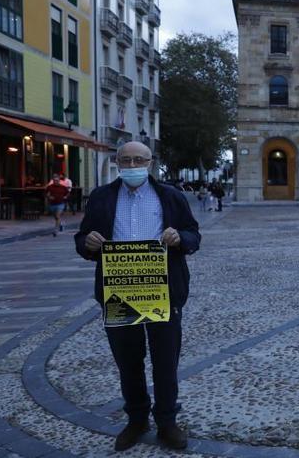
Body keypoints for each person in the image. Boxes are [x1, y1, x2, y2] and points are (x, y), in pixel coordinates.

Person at [74, 141, 200, 452]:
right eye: (126, 160)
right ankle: (137, 419)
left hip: (162, 289)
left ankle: (167, 422)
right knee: (128, 360)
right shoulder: (103, 197)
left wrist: (179, 238)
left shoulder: (169, 195)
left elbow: (193, 234)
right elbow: (82, 237)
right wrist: (87, 242)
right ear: (117, 163)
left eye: (138, 160)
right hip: (118, 290)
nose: (132, 166)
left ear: (150, 162)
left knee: (165, 361)